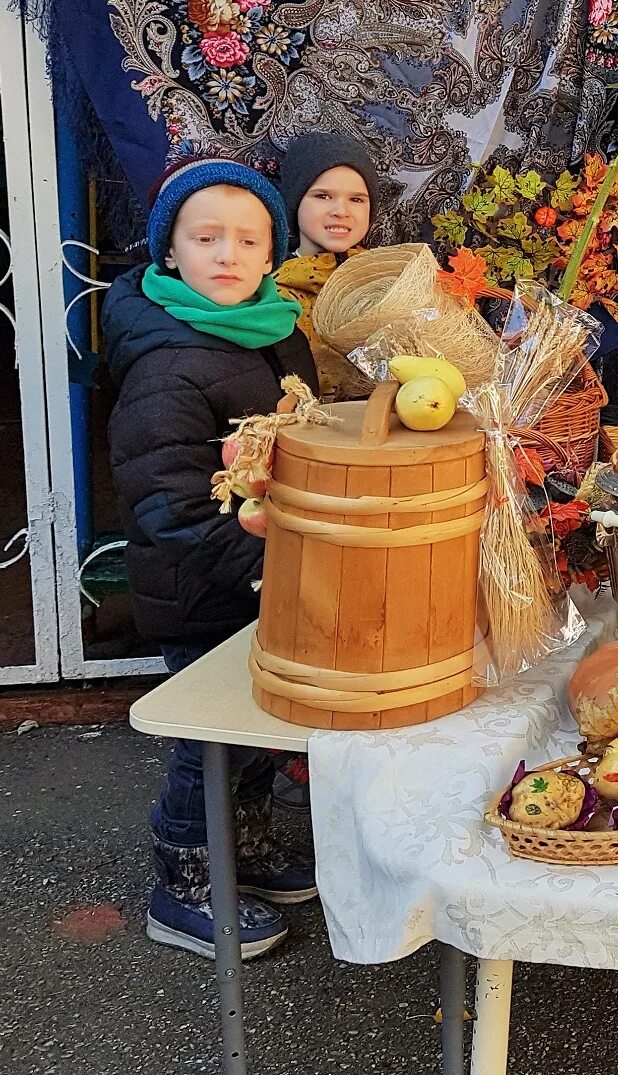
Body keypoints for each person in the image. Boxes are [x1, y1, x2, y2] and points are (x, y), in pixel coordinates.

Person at [103, 158, 320, 961]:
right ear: (171, 254)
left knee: (258, 729)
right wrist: (265, 569)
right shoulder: (168, 359)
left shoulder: (276, 329)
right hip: (203, 584)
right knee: (208, 741)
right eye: (205, 238)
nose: (226, 255)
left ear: (271, 257)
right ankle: (183, 876)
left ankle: (249, 847)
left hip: (259, 575)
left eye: (246, 239)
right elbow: (170, 504)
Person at [274, 132, 381, 398]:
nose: (341, 211)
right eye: (322, 196)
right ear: (295, 203)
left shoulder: (384, 281)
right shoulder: (271, 293)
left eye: (356, 199)